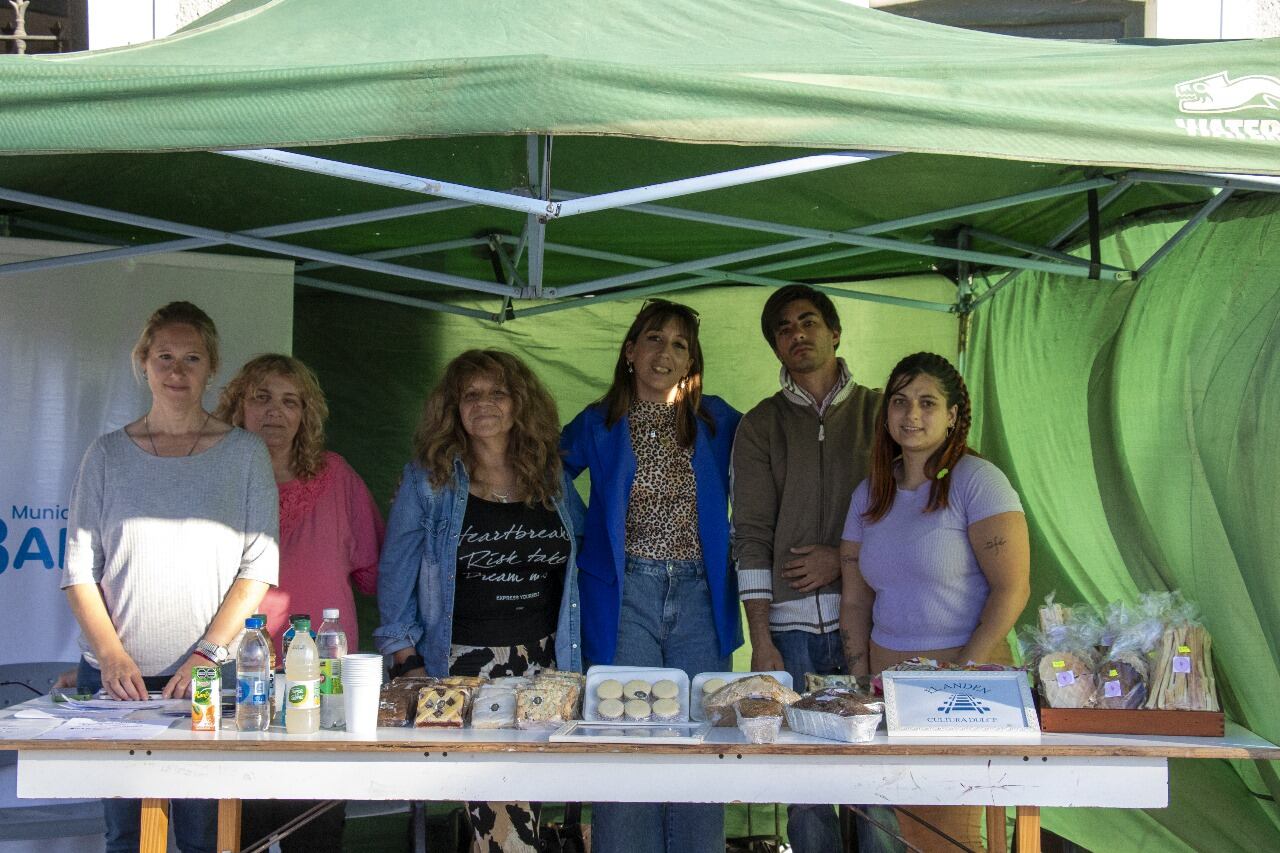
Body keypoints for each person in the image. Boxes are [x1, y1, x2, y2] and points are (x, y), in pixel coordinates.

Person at [62, 301, 279, 853]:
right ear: (143, 363)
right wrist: (111, 657)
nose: (177, 371)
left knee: (205, 839)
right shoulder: (106, 455)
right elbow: (79, 570)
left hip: (207, 681)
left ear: (211, 369)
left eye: (191, 358)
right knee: (127, 840)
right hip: (116, 689)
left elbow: (258, 568)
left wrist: (208, 653)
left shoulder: (245, 453)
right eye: (164, 356)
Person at [375, 349, 585, 853]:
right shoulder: (429, 482)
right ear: (453, 408)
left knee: (521, 801)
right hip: (462, 665)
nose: (484, 403)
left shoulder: (551, 478)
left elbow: (583, 559)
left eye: (497, 392)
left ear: (520, 404)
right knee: (502, 811)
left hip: (544, 664)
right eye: (471, 394)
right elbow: (395, 575)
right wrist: (406, 660)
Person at [561, 299, 741, 853]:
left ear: (692, 360)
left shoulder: (719, 421)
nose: (666, 353)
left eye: (680, 344)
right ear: (630, 351)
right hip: (624, 593)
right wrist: (585, 533)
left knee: (700, 737)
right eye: (655, 339)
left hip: (699, 594)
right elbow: (544, 471)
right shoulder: (598, 421)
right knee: (626, 735)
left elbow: (770, 470)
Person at [840, 352, 1030, 853]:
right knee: (915, 833)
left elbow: (1013, 588)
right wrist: (862, 677)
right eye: (900, 402)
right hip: (891, 681)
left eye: (928, 402)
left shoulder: (978, 481)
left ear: (953, 415)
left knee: (959, 836)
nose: (912, 415)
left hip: (970, 678)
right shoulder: (869, 494)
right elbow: (856, 599)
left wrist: (963, 673)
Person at [730, 284, 897, 852]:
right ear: (776, 346)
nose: (797, 333)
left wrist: (843, 560)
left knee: (876, 777)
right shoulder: (759, 426)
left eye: (808, 321)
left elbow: (913, 518)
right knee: (803, 783)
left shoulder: (883, 412)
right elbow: (750, 536)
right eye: (783, 328)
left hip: (875, 625)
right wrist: (761, 641)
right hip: (790, 631)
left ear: (835, 332)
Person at [215, 353, 384, 853]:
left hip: (321, 674)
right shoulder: (217, 476)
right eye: (261, 397)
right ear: (236, 405)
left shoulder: (336, 476)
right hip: (235, 670)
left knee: (315, 823)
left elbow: (377, 574)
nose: (276, 412)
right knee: (236, 819)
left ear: (307, 414)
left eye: (291, 401)